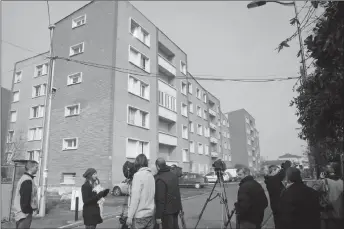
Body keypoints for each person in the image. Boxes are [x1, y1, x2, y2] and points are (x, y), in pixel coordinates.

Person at [126, 154, 155, 229]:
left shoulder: (138, 176)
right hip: (150, 214)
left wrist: (130, 216)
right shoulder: (151, 176)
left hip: (140, 216)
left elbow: (135, 198)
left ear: (137, 163)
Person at [312, 162, 343, 229]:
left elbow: (312, 191)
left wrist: (320, 179)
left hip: (327, 216)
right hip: (341, 216)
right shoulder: (342, 182)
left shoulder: (323, 182)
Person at [155, 158, 182, 229]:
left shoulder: (160, 179)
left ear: (157, 166)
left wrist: (158, 216)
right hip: (176, 209)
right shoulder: (174, 176)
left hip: (166, 212)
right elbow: (178, 193)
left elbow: (160, 200)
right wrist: (180, 208)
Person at [12, 160, 39, 229]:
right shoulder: (27, 180)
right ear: (31, 168)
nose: (37, 169)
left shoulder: (26, 178)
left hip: (22, 213)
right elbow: (25, 198)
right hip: (24, 214)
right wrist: (28, 211)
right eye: (36, 167)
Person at [263, 163, 288, 229]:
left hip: (276, 205)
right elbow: (282, 174)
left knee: (278, 223)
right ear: (273, 171)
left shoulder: (271, 180)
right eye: (277, 170)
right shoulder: (272, 180)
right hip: (279, 206)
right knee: (281, 224)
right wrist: (283, 168)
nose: (278, 172)